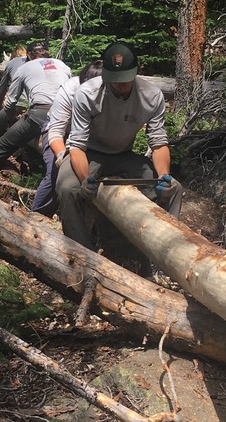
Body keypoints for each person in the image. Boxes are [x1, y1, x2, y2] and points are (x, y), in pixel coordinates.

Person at [55, 41, 182, 268]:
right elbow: (77, 145)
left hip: (124, 154)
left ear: (136, 72)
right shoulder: (88, 93)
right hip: (89, 154)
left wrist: (164, 177)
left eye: (126, 78)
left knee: (174, 189)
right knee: (68, 188)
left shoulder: (151, 96)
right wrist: (85, 180)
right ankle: (83, 256)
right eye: (115, 79)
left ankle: (166, 258)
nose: (121, 84)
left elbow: (159, 142)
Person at [0, 43, 71, 178]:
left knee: (4, 146)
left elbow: (10, 102)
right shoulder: (63, 65)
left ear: (28, 55)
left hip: (40, 113)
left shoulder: (24, 68)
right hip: (67, 112)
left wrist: (11, 119)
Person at [30, 58, 103, 217]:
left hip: (88, 138)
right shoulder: (70, 89)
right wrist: (62, 155)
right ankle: (37, 217)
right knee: (57, 172)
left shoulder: (112, 92)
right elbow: (56, 131)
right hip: (61, 134)